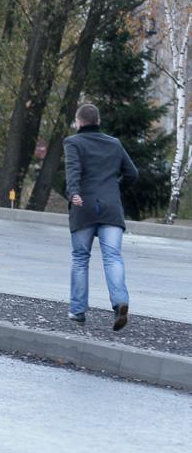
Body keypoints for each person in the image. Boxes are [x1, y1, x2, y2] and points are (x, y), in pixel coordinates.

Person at [64, 103, 138, 331]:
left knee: (80, 259)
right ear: (98, 122)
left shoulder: (73, 142)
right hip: (110, 208)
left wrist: (74, 192)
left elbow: (73, 169)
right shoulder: (114, 144)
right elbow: (132, 173)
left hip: (84, 207)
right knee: (113, 257)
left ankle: (77, 311)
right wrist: (113, 189)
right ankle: (119, 302)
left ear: (79, 122)